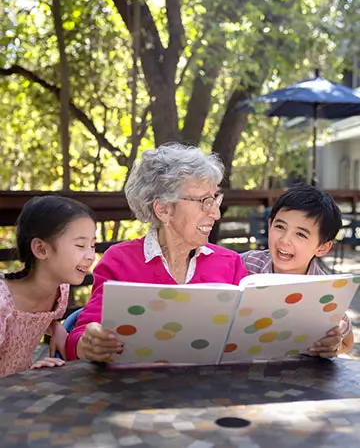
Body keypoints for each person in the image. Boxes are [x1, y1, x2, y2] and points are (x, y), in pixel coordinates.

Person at [65, 143, 248, 361]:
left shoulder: (230, 263)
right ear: (163, 209)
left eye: (215, 198)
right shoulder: (120, 262)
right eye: (204, 201)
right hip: (140, 389)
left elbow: (251, 333)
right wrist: (87, 345)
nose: (216, 213)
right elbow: (78, 337)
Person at [241, 184, 353, 358]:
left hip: (294, 375)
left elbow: (347, 341)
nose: (285, 241)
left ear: (323, 248)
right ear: (270, 225)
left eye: (300, 234)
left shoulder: (326, 292)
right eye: (280, 227)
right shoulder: (246, 264)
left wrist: (333, 347)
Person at [0, 195, 97, 377]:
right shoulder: (3, 304)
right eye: (80, 245)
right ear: (41, 249)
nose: (91, 255)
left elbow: (35, 319)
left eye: (92, 245)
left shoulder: (60, 291)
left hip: (17, 392)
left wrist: (56, 328)